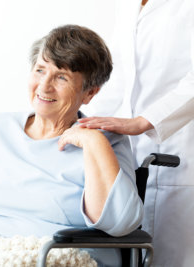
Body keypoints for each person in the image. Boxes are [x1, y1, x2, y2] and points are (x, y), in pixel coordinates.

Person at [0, 25, 143, 267]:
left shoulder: (106, 140)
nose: (44, 86)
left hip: (59, 256)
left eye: (61, 77)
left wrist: (93, 142)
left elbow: (120, 223)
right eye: (40, 70)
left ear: (90, 93)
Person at [79, 0, 194, 266]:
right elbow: (119, 78)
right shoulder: (128, 4)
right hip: (131, 155)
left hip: (182, 153)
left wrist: (143, 122)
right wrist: (82, 122)